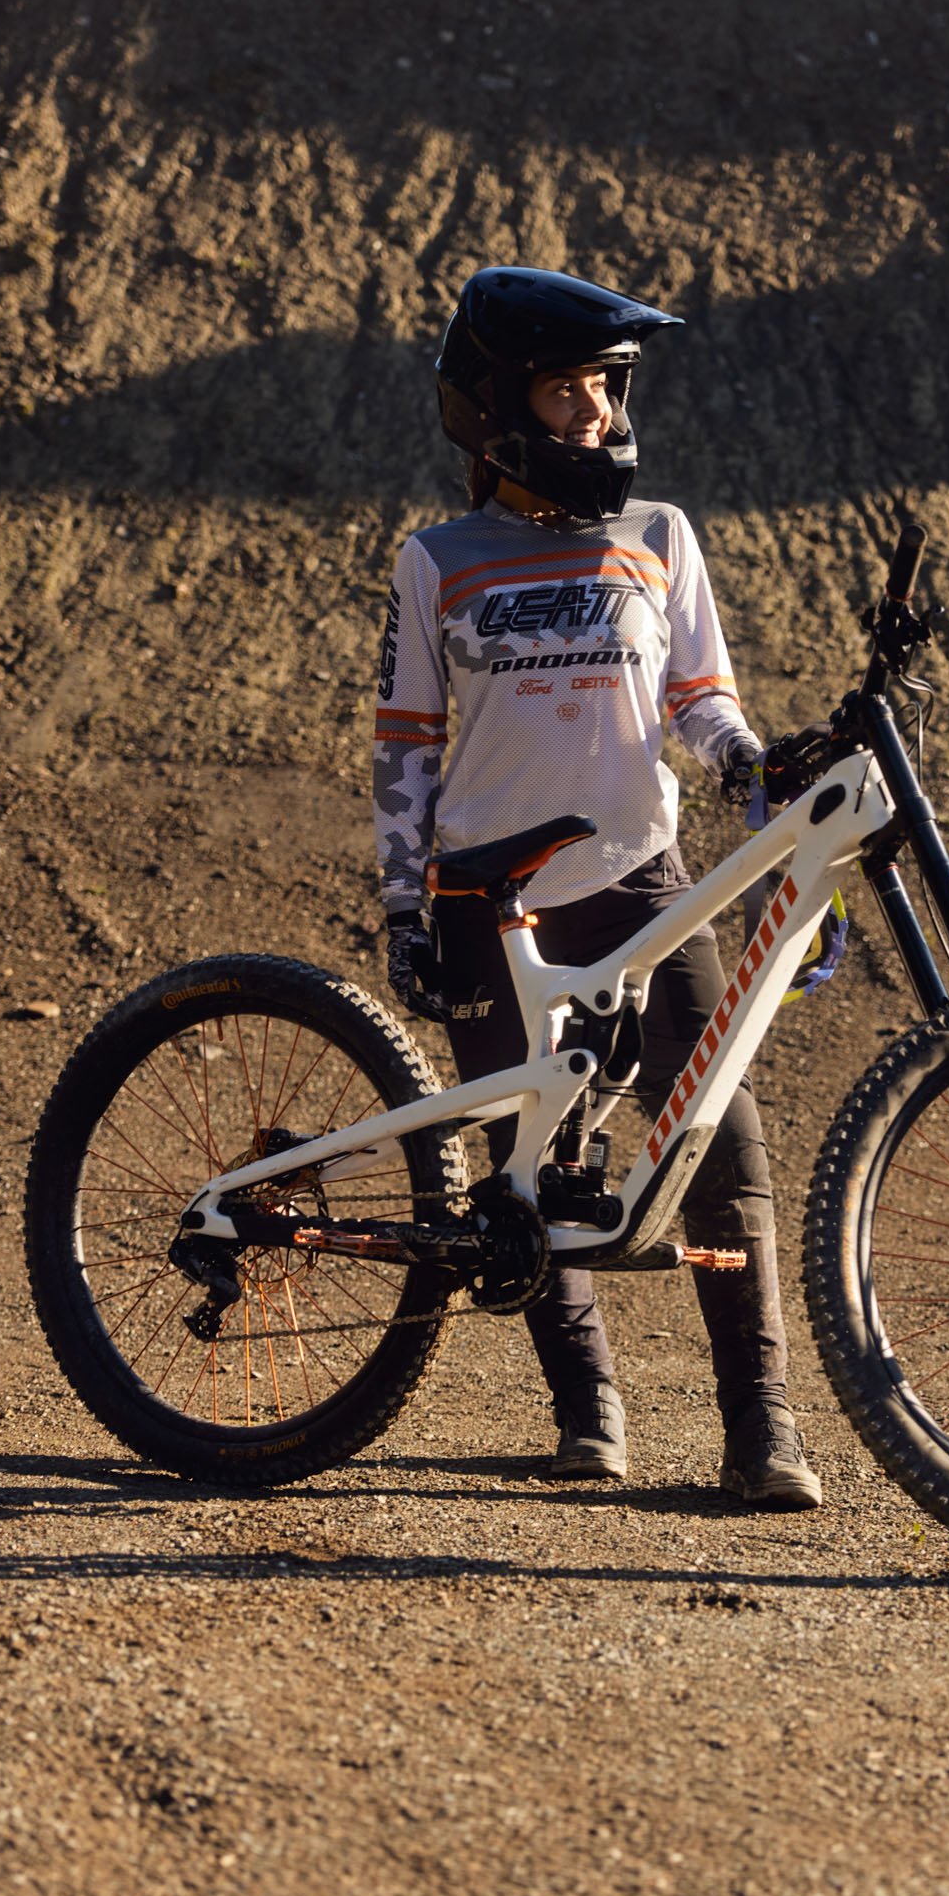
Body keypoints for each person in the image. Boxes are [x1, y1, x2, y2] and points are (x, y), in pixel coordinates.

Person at [372, 265, 822, 1509]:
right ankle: (590, 1413)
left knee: (720, 1140)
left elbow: (698, 699)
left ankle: (762, 1428)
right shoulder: (436, 559)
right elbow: (405, 739)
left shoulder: (660, 535)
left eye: (605, 386)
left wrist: (746, 759)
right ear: (493, 406)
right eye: (562, 386)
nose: (589, 414)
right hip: (486, 893)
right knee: (529, 1165)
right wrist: (402, 905)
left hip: (641, 884)